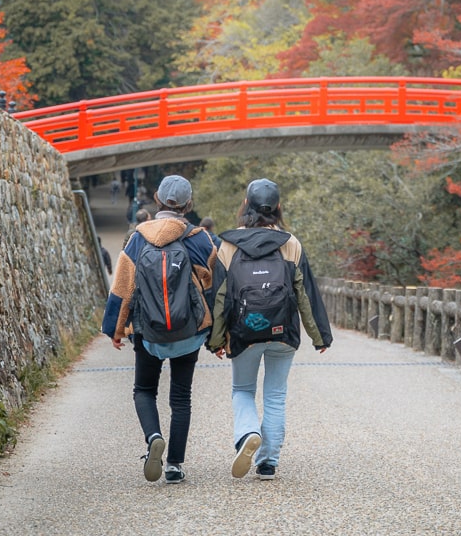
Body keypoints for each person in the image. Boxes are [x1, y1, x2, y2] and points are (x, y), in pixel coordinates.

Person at [208, 178, 333, 481]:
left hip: (243, 333)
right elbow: (305, 294)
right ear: (277, 207)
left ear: (246, 206)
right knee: (275, 395)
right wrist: (321, 336)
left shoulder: (228, 245)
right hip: (283, 332)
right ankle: (268, 462)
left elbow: (220, 297)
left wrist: (215, 340)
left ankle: (249, 433)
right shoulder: (291, 245)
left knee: (243, 390)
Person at [102, 175, 220, 485]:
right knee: (181, 398)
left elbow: (123, 287)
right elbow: (212, 288)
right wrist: (216, 334)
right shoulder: (200, 239)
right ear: (188, 205)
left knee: (144, 390)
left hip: (148, 333)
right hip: (188, 332)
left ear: (156, 199)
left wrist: (116, 329)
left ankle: (153, 436)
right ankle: (174, 465)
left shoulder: (137, 239)